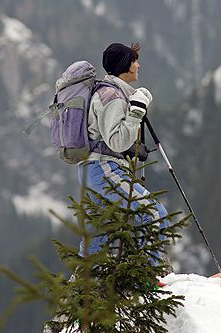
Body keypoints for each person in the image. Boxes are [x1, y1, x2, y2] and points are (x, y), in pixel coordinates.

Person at [77, 42, 169, 263]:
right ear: (125, 66)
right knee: (154, 214)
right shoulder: (113, 97)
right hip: (105, 167)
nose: (138, 65)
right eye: (134, 61)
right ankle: (149, 274)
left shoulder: (106, 93)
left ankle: (86, 286)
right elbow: (116, 141)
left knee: (97, 231)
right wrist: (136, 112)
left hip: (91, 168)